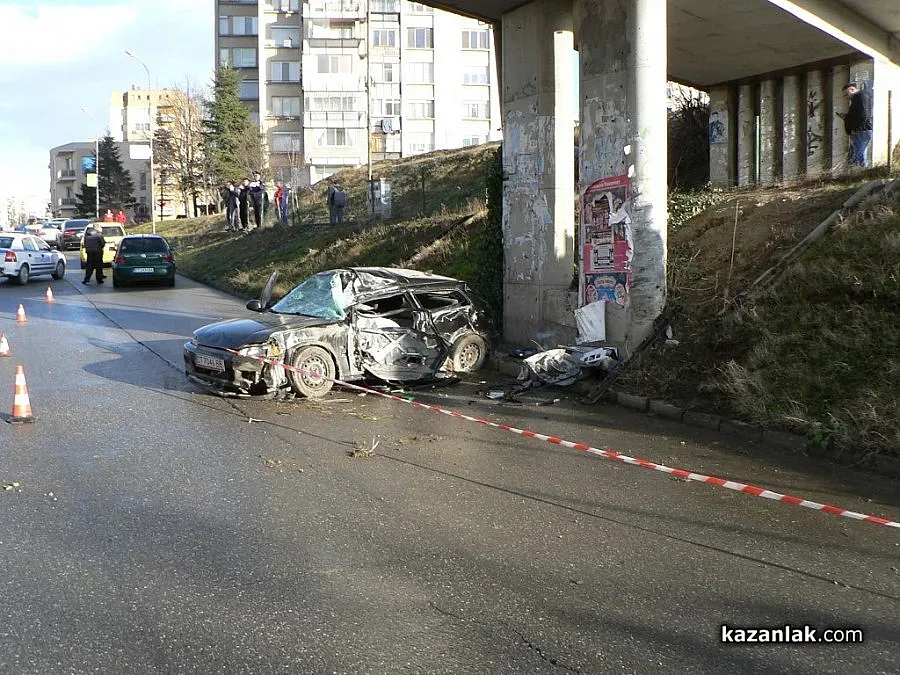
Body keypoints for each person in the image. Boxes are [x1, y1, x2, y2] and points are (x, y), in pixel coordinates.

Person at [838, 82, 873, 167]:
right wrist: (847, 117)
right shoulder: (860, 97)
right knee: (857, 155)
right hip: (862, 130)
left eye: (847, 94)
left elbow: (863, 115)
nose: (847, 97)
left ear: (852, 89)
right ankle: (859, 175)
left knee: (858, 157)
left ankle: (860, 175)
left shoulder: (860, 97)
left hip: (861, 131)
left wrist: (855, 129)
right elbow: (858, 115)